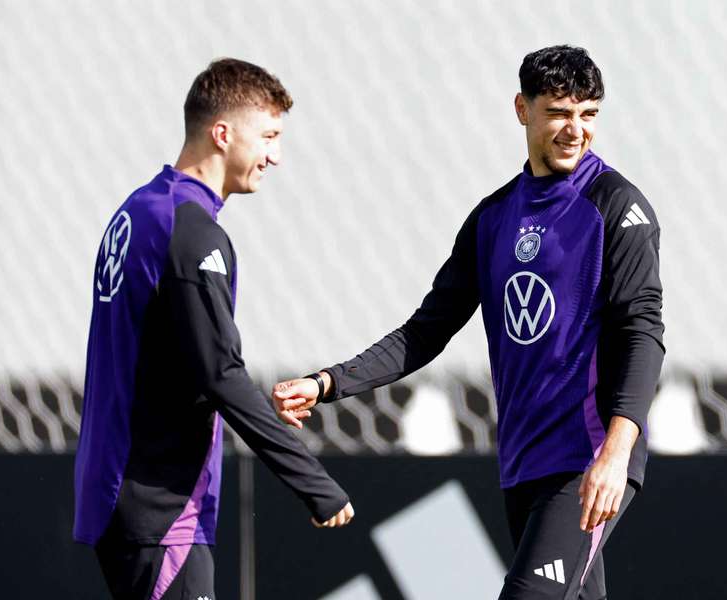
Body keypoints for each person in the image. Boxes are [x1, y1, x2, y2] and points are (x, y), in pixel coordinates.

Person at [274, 45, 664, 599]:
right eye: (559, 112)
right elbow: (425, 330)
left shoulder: (617, 207)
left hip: (588, 458)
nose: (576, 130)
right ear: (521, 110)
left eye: (589, 115)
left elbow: (643, 332)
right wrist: (327, 383)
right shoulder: (492, 218)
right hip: (523, 462)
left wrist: (617, 452)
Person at [74, 58, 354, 600]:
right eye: (268, 136)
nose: (276, 155)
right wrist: (312, 482)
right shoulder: (193, 233)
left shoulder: (140, 209)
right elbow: (220, 372)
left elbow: (169, 355)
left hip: (119, 487)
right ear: (222, 134)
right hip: (160, 505)